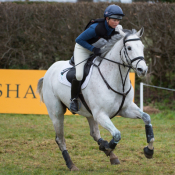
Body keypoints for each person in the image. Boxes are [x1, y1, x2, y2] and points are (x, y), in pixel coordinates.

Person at [70, 4, 125, 113]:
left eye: (118, 20)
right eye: (114, 20)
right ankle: (73, 99)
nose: (116, 23)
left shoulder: (117, 28)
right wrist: (93, 49)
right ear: (107, 18)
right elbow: (79, 40)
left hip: (99, 49)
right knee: (79, 75)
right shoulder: (95, 28)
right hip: (83, 49)